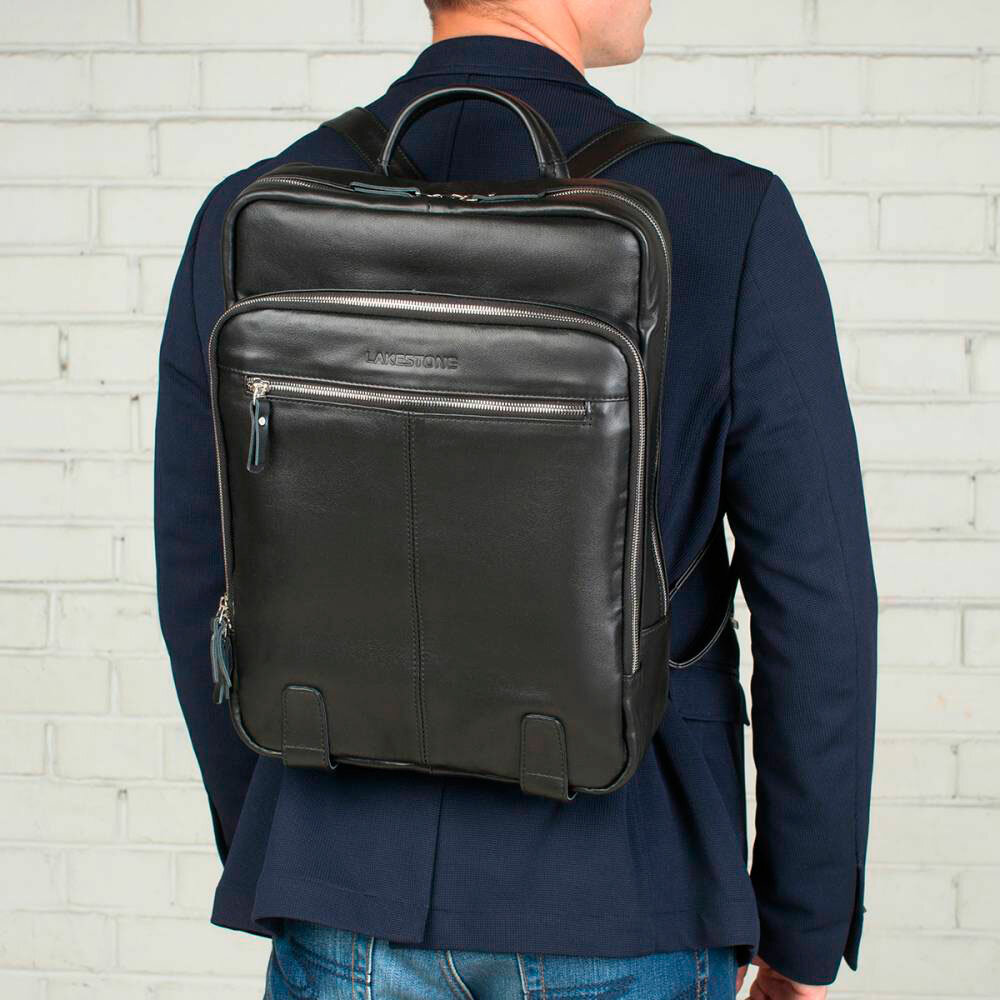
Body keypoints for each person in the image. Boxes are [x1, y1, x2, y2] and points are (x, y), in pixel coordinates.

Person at [154, 1, 878, 997]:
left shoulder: (247, 214)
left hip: (342, 888)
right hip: (630, 892)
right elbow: (818, 599)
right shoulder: (726, 215)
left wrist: (290, 847)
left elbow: (201, 570)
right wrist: (800, 926)